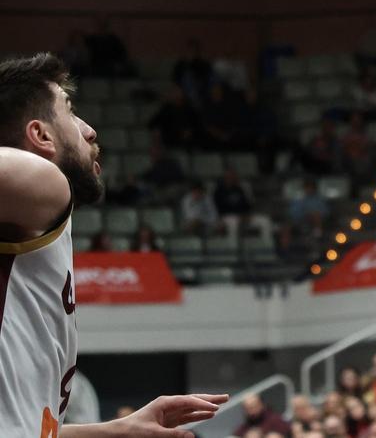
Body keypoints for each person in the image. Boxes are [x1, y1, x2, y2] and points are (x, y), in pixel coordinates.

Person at [0, 53, 227, 435]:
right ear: (40, 135)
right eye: (70, 112)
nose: (89, 130)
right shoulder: (46, 183)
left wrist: (118, 429)